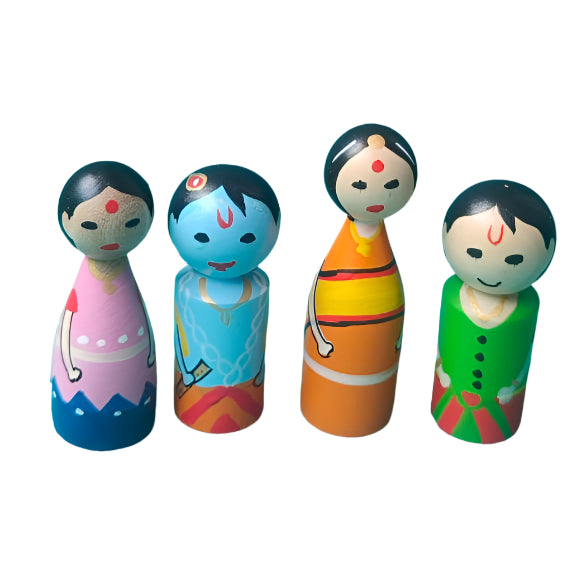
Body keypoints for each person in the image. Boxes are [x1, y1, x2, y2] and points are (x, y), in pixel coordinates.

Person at [301, 124, 417, 437]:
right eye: (360, 184)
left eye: (392, 184)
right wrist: (321, 340)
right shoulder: (342, 257)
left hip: (373, 373)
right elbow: (316, 306)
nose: (376, 194)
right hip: (329, 359)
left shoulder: (377, 256)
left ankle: (361, 414)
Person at [432, 180, 556, 443]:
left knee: (494, 423)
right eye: (474, 253)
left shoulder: (525, 306)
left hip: (499, 412)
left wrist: (512, 387)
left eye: (515, 259)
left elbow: (520, 365)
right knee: (449, 409)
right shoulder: (454, 296)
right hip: (450, 400)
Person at [51, 161, 156, 450]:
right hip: (81, 375)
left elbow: (140, 318)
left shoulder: (127, 287)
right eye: (89, 225)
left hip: (133, 383)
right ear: (67, 222)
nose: (109, 234)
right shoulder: (84, 290)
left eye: (131, 222)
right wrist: (70, 367)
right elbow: (69, 327)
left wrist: (148, 354)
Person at [168, 164, 280, 433]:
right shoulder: (187, 286)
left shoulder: (257, 285)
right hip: (195, 393)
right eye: (201, 237)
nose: (224, 255)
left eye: (248, 237)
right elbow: (181, 340)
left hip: (245, 392)